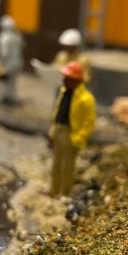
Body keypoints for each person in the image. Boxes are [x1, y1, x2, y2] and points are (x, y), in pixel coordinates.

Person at [47, 60, 96, 198]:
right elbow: (57, 111)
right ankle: (53, 190)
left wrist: (78, 138)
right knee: (56, 164)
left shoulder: (86, 99)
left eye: (67, 79)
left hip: (71, 134)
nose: (64, 81)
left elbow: (89, 123)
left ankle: (65, 193)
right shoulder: (64, 91)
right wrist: (52, 129)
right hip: (60, 130)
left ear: (76, 80)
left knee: (67, 167)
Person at [0, 15, 25, 106]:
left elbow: (4, 52)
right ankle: (9, 97)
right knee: (12, 82)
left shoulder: (4, 37)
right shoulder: (17, 35)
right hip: (18, 62)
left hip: (8, 64)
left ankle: (8, 98)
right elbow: (23, 46)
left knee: (8, 81)